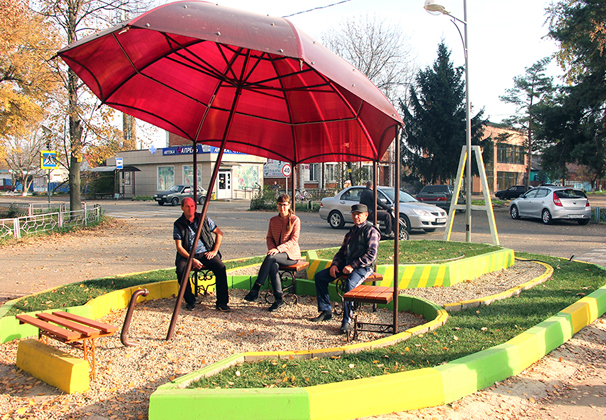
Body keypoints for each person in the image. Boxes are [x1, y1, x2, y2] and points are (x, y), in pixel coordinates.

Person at [310, 203, 380, 334]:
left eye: (359, 214)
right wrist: (335, 264)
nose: (356, 217)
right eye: (354, 214)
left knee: (350, 285)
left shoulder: (371, 231)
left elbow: (371, 255)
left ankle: (347, 320)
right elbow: (341, 252)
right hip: (347, 265)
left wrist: (352, 266)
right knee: (320, 277)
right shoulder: (350, 232)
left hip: (363, 267)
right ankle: (325, 311)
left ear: (366, 215)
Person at [244, 194, 301, 311]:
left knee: (270, 258)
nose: (282, 208)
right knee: (272, 265)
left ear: (289, 205)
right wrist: (272, 249)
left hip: (290, 255)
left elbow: (294, 240)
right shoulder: (273, 220)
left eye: (284, 205)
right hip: (276, 255)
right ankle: (279, 299)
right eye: (280, 205)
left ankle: (256, 287)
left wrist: (278, 249)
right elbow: (269, 237)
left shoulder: (295, 220)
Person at [173, 197, 230, 312]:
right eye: (188, 206)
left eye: (192, 206)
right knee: (181, 270)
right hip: (187, 254)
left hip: (205, 252)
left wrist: (214, 251)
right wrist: (191, 259)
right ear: (182, 208)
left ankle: (222, 302)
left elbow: (219, 233)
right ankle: (190, 300)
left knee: (220, 267)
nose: (190, 209)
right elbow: (179, 247)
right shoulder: (178, 224)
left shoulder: (203, 219)